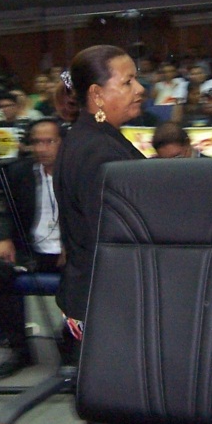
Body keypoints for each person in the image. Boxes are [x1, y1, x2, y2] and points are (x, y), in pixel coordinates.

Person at [53, 45, 147, 345]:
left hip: (101, 295)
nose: (140, 88)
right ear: (97, 95)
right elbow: (112, 235)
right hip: (107, 302)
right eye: (127, 81)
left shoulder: (91, 137)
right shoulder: (98, 151)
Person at [0, 118, 65, 379]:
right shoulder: (19, 172)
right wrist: (4, 238)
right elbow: (4, 211)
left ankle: (75, 346)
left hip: (68, 252)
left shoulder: (78, 173)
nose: (42, 148)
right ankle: (19, 348)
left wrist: (75, 242)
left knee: (87, 273)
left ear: (62, 143)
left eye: (48, 141)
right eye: (36, 142)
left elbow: (91, 214)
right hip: (33, 251)